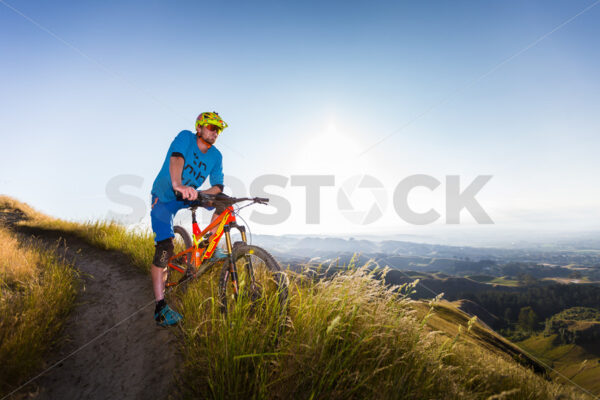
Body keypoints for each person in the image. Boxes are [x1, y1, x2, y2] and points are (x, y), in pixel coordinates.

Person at [150, 111, 228, 326]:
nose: (215, 132)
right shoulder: (185, 137)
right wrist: (178, 185)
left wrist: (207, 194)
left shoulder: (216, 156)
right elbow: (177, 158)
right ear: (200, 127)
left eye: (218, 129)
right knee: (165, 248)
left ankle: (207, 247)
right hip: (165, 196)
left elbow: (218, 186)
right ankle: (160, 308)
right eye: (212, 127)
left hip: (189, 195)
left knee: (224, 202)